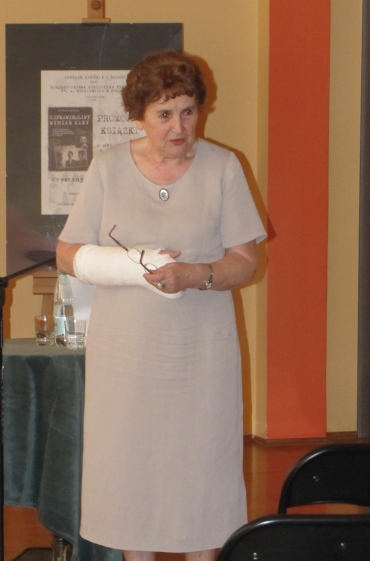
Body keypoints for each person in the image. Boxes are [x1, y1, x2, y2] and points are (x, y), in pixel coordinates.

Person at [56, 50, 266, 561]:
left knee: (202, 471)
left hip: (202, 353)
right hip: (126, 355)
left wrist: (197, 274)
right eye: (164, 113)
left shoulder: (224, 167)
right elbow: (66, 253)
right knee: (133, 473)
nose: (179, 126)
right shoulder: (107, 168)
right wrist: (124, 266)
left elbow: (247, 262)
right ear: (138, 116)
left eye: (189, 111)